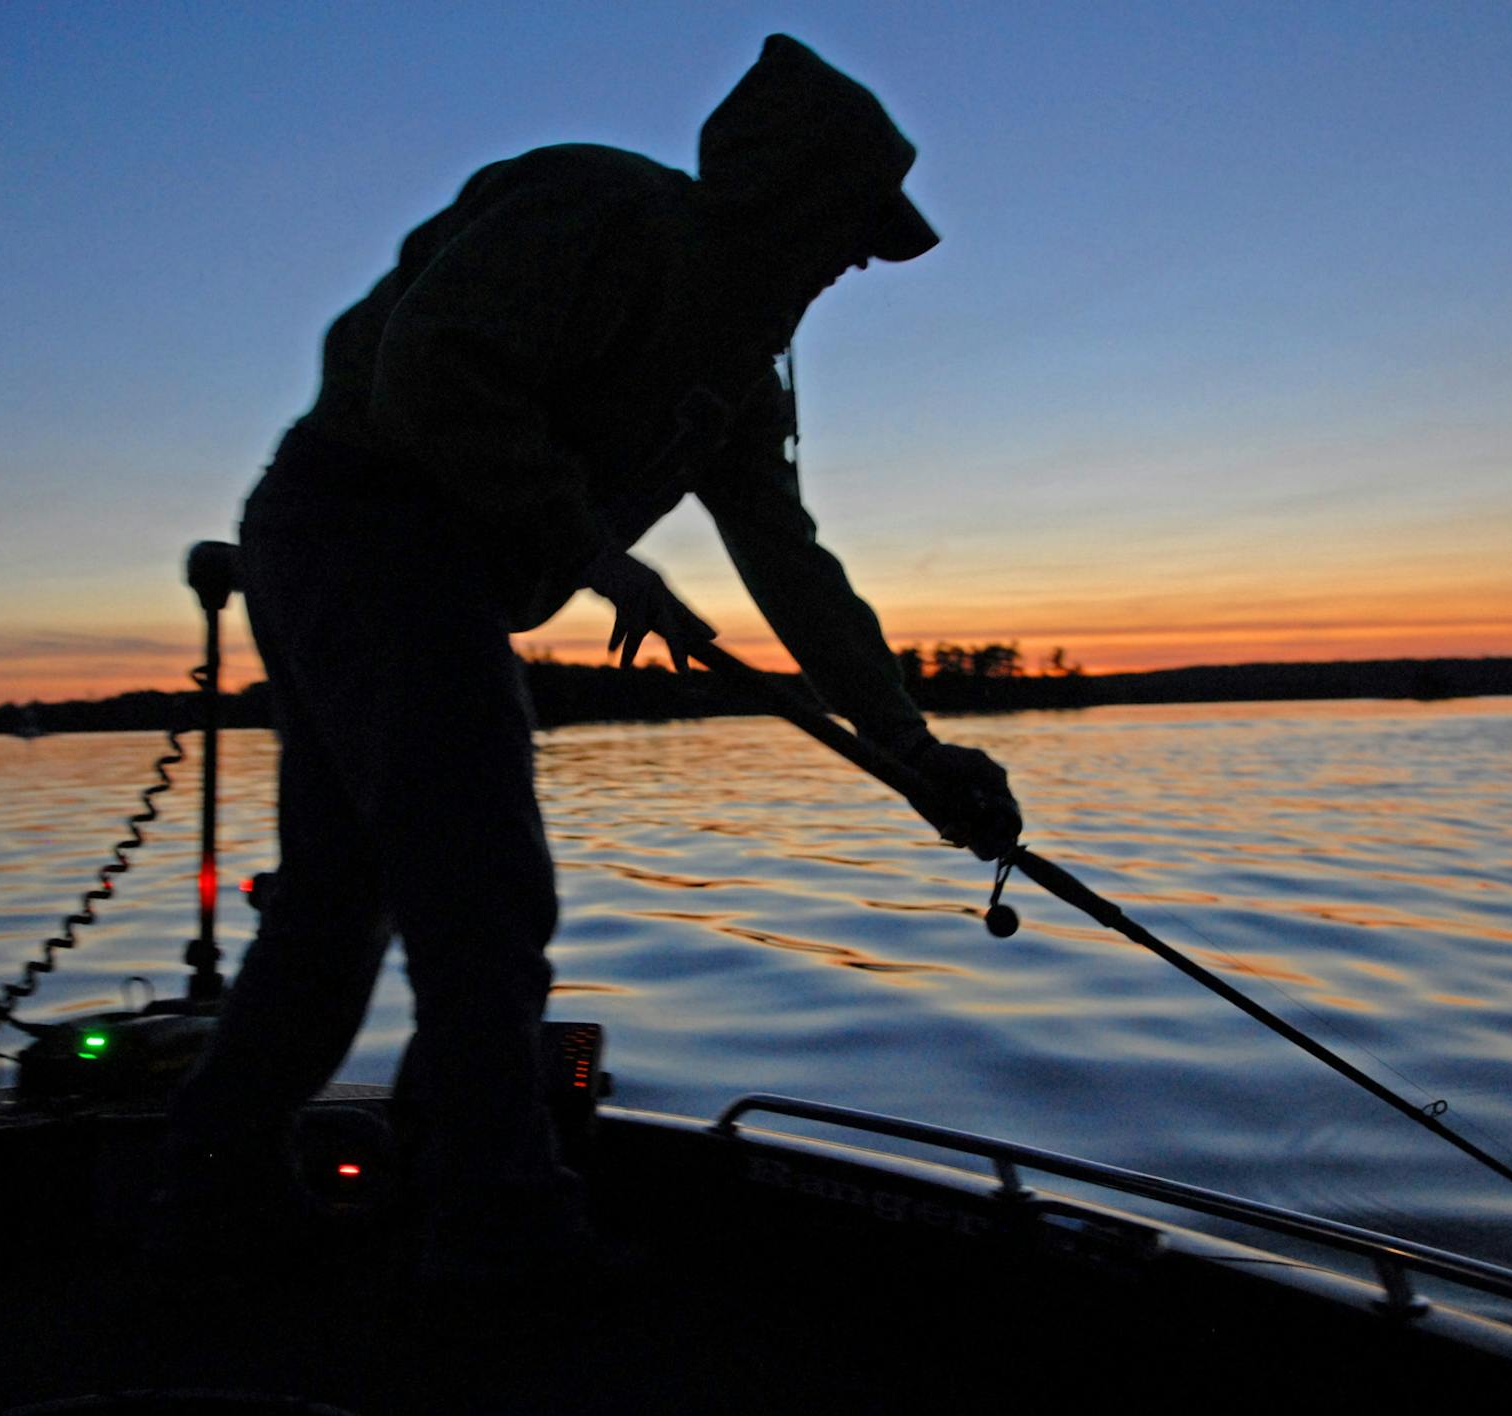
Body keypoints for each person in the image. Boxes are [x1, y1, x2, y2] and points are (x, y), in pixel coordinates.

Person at [158, 34, 1023, 1281]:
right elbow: (429, 368)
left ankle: (213, 1191)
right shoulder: (604, 206)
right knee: (482, 888)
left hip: (407, 562)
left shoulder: (737, 368)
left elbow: (791, 565)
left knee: (340, 908)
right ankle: (498, 1226)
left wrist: (912, 747)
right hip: (362, 527)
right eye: (846, 230)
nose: (850, 264)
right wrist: (595, 550)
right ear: (786, 197)